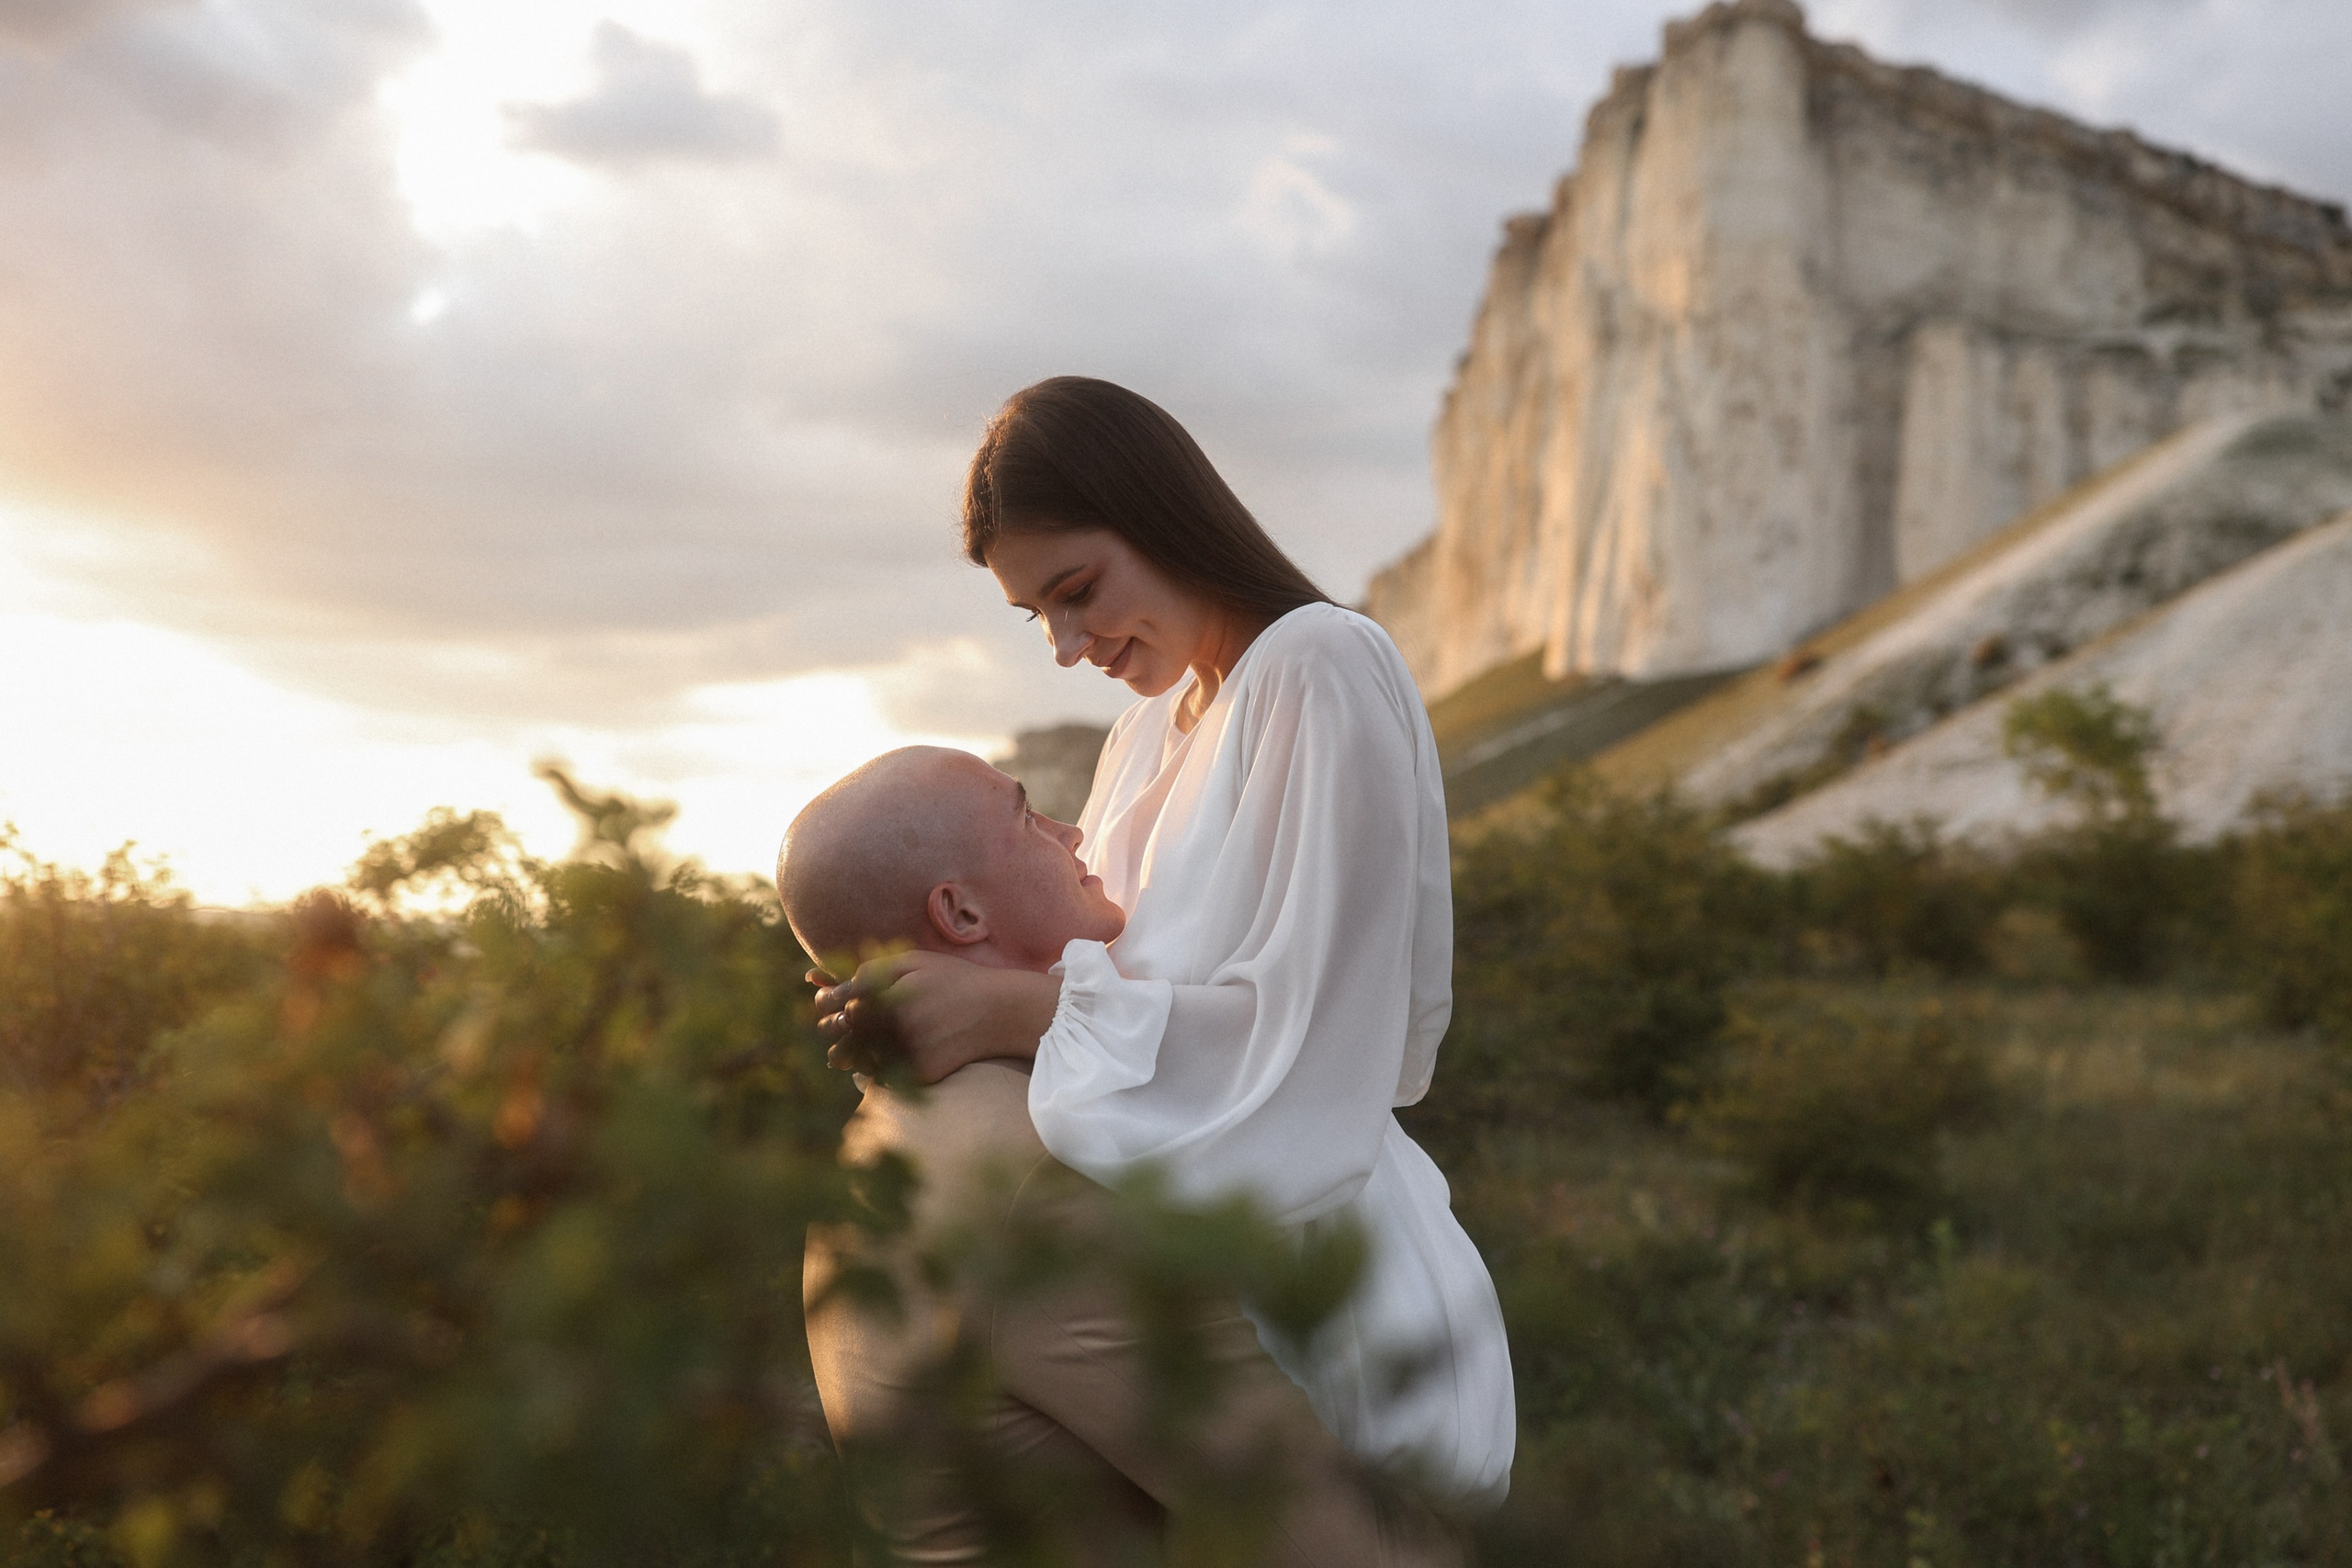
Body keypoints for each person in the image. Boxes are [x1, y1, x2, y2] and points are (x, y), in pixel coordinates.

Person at [814, 378, 1516, 1507]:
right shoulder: (1142, 736)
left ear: (1161, 514)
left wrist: (1010, 1012)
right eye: (1037, 615)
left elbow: (1324, 1038)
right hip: (1176, 1301)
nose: (1065, 645)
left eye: (1077, 591)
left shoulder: (1320, 665)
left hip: (1328, 1298)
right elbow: (1067, 955)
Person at [780, 746, 1454, 1566]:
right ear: (960, 913)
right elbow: (1324, 1534)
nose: (1071, 832)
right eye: (1028, 817)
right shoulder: (1036, 1173)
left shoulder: (884, 1142)